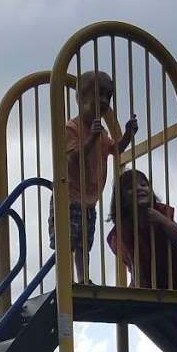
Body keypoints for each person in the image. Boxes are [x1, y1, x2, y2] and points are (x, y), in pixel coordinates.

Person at [49, 70, 138, 283]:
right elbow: (73, 158)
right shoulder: (72, 127)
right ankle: (66, 280)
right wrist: (91, 139)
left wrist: (127, 135)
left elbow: (116, 150)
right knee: (67, 242)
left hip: (89, 201)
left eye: (109, 96)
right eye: (100, 94)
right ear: (81, 98)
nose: (105, 101)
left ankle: (83, 279)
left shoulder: (102, 131)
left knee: (83, 244)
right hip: (68, 197)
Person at [106, 167, 177, 289]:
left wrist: (162, 220)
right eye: (130, 188)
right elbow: (132, 262)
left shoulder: (160, 212)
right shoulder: (121, 231)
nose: (139, 188)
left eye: (143, 185)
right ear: (121, 198)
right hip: (150, 279)